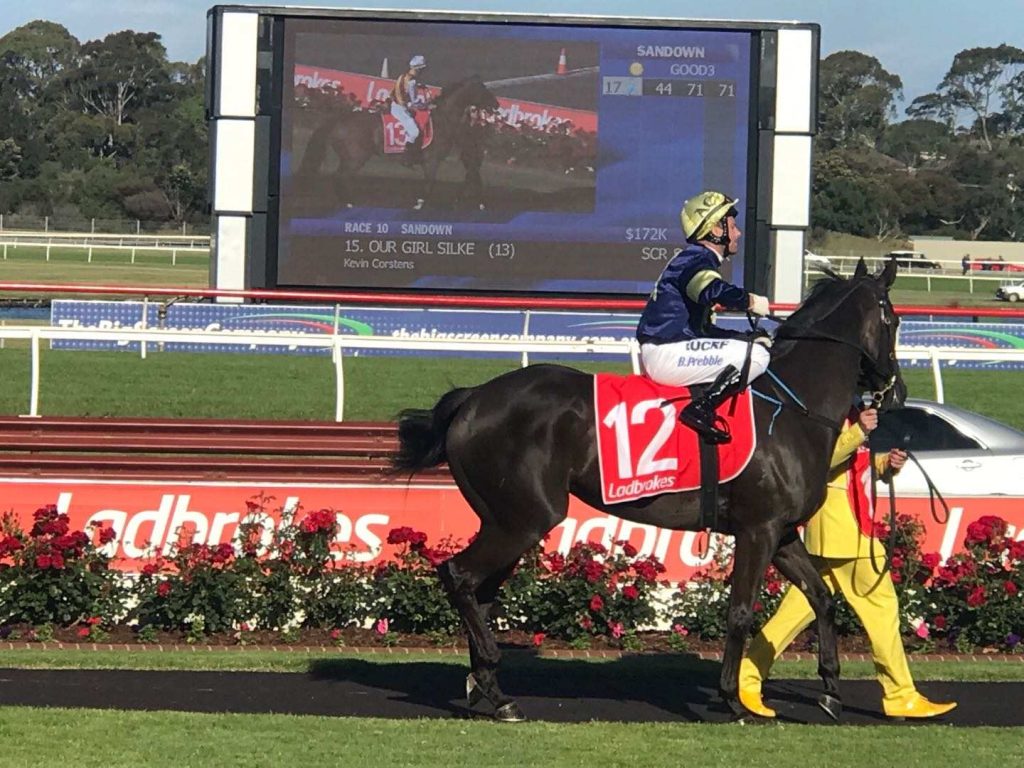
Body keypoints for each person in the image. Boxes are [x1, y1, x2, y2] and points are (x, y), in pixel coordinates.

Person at [737, 405, 958, 720]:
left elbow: (856, 466)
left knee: (793, 613)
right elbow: (822, 461)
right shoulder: (832, 415)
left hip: (835, 532)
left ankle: (747, 674)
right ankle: (900, 694)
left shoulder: (847, 412)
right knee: (882, 612)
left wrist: (886, 464)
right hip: (848, 533)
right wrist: (859, 432)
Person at [635, 190, 772, 443]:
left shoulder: (695, 259)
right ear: (716, 230)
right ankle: (701, 409)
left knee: (751, 347)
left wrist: (743, 337)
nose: (738, 233)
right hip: (667, 353)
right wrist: (750, 301)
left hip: (667, 349)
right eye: (733, 226)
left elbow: (703, 330)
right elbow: (711, 290)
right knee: (758, 356)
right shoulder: (696, 259)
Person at [391, 55, 430, 165]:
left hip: (397, 106)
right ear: (418, 69)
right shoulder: (412, 82)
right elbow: (415, 102)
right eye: (422, 69)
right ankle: (405, 157)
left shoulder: (403, 76)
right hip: (400, 108)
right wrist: (426, 105)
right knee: (415, 132)